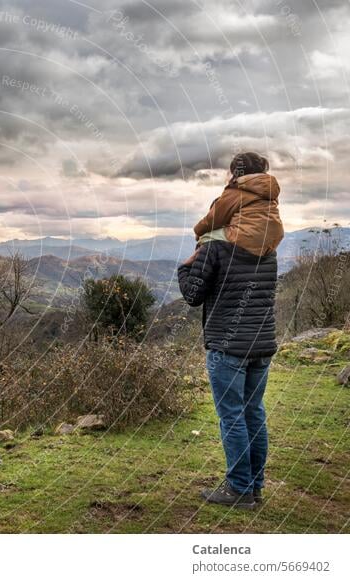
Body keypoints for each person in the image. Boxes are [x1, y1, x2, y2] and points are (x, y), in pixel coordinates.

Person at [178, 152, 283, 510]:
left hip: (227, 344)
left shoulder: (215, 245)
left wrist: (184, 265)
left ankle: (239, 489)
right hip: (262, 343)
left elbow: (192, 295)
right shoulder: (269, 246)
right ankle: (254, 488)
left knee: (233, 417)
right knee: (253, 413)